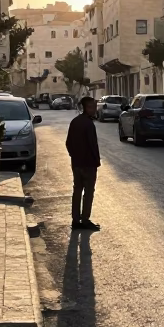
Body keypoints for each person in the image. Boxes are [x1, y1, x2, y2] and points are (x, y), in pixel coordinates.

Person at [66, 96, 101, 230]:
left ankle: (75, 220)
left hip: (76, 164)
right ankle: (85, 220)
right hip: (89, 164)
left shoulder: (75, 122)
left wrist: (74, 156)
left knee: (77, 190)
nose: (94, 109)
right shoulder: (88, 124)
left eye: (94, 106)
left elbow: (68, 143)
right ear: (85, 108)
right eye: (91, 107)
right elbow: (93, 145)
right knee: (88, 192)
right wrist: (96, 161)